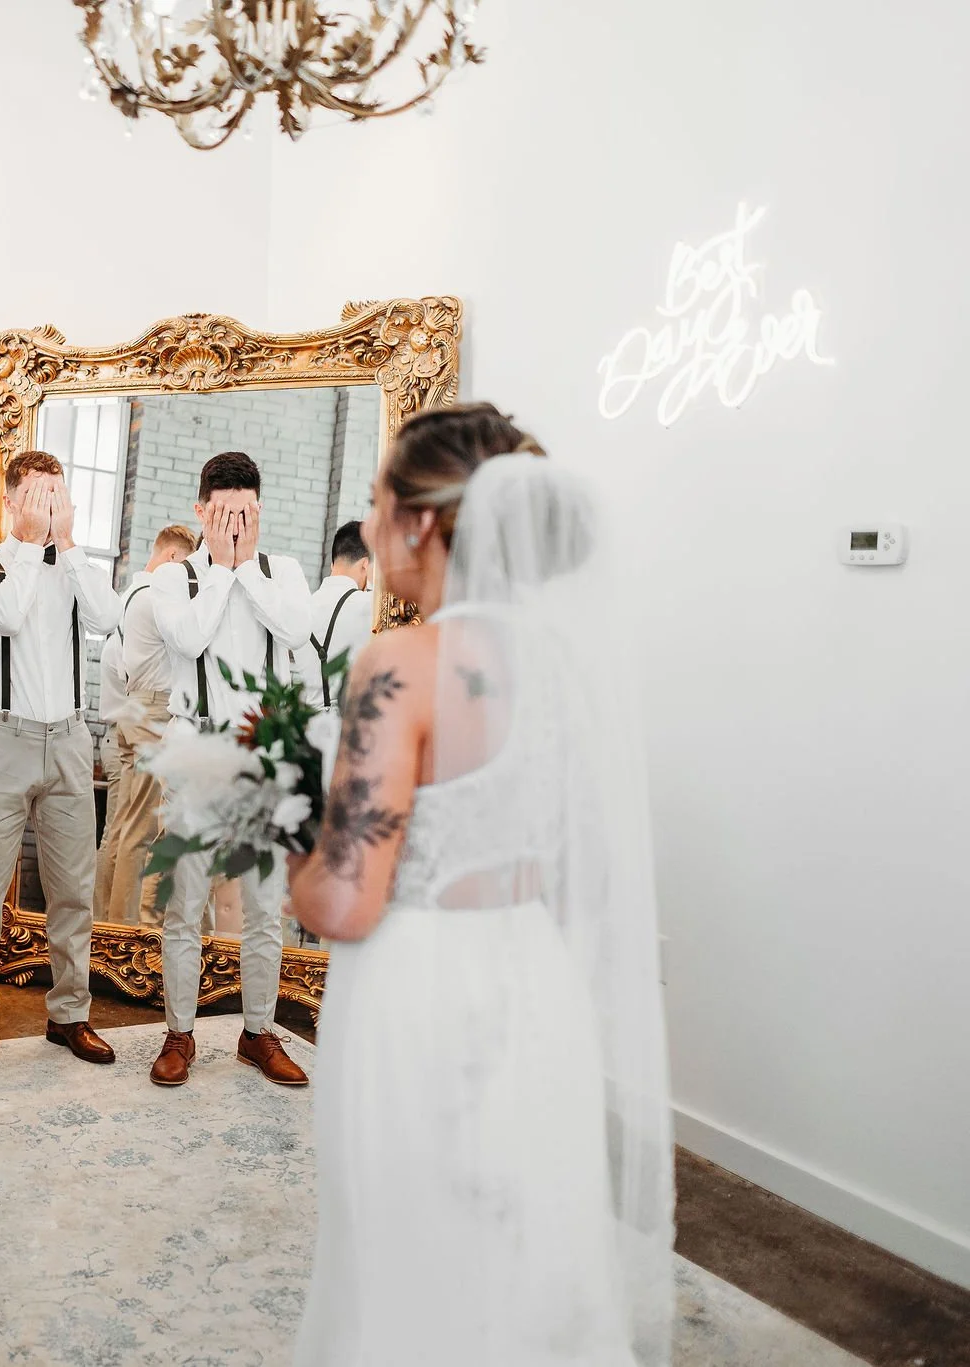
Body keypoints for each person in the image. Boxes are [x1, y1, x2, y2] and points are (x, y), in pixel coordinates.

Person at [288, 404, 673, 1365]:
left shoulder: (400, 665)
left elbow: (347, 900)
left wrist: (278, 828)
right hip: (534, 973)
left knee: (404, 1244)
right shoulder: (571, 666)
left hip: (416, 986)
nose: (371, 526)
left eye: (379, 501)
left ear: (420, 521)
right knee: (523, 1234)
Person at [0, 450, 122, 1073]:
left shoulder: (77, 566)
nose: (51, 508)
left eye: (60, 495)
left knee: (73, 889)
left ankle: (70, 1014)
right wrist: (27, 545)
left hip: (72, 741)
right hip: (3, 740)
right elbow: (5, 615)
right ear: (13, 501)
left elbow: (109, 618)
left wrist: (68, 545)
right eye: (40, 496)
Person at [146, 451, 313, 1088]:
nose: (236, 524)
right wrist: (220, 569)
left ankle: (259, 1033)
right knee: (186, 903)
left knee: (265, 905)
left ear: (260, 509)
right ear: (201, 511)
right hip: (196, 750)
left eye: (246, 512)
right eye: (223, 513)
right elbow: (187, 640)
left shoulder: (286, 572)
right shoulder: (174, 579)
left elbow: (295, 628)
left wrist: (246, 570)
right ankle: (179, 1033)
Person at [93, 523, 198, 925]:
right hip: (153, 713)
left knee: (121, 829)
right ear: (172, 557)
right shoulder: (156, 598)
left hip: (131, 710)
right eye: (186, 568)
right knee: (141, 830)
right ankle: (124, 932)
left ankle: (105, 926)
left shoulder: (129, 597)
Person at [291, 520, 375, 709]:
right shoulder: (368, 605)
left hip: (307, 723)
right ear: (365, 564)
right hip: (345, 725)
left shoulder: (304, 609)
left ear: (332, 564)